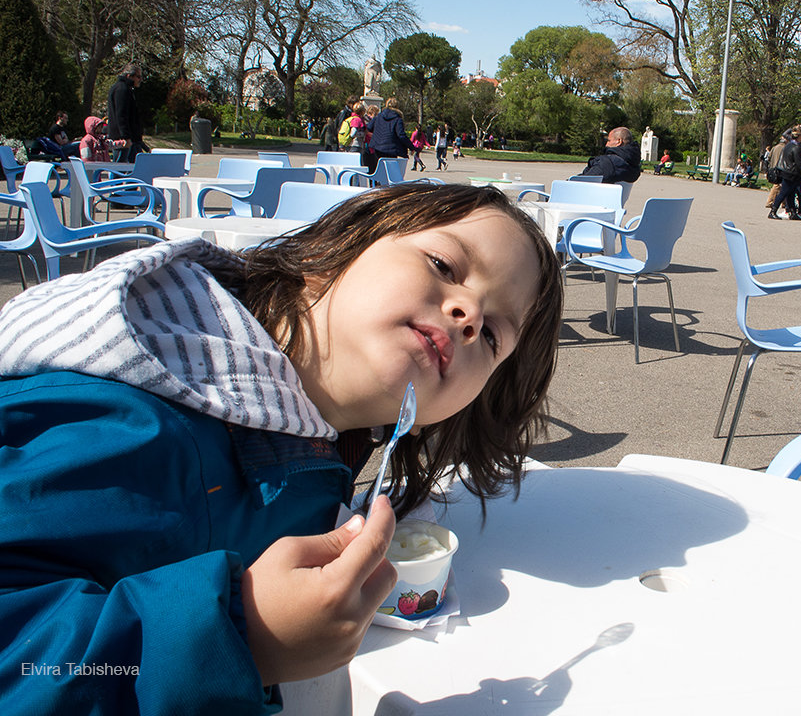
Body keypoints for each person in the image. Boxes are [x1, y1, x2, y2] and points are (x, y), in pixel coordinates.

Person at [0, 184, 564, 713]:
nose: (468, 317)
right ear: (326, 257)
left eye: (492, 335)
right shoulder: (129, 427)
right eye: (443, 265)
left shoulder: (317, 437)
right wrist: (243, 634)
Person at [106, 63, 145, 163]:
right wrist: (126, 137)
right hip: (123, 140)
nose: (140, 79)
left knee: (135, 170)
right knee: (120, 169)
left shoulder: (126, 89)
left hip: (132, 139)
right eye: (138, 76)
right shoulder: (121, 90)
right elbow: (121, 115)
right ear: (129, 76)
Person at [366, 98, 414, 175]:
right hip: (391, 149)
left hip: (377, 148)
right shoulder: (398, 119)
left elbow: (368, 128)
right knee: (390, 173)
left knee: (377, 171)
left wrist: (375, 135)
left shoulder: (378, 117)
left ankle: (376, 185)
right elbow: (401, 135)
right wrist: (411, 147)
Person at [768, 127, 801, 221]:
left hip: (787, 172)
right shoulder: (797, 148)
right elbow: (799, 163)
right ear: (799, 137)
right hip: (792, 173)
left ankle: (793, 213)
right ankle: (773, 211)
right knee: (783, 193)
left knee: (791, 194)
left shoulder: (788, 145)